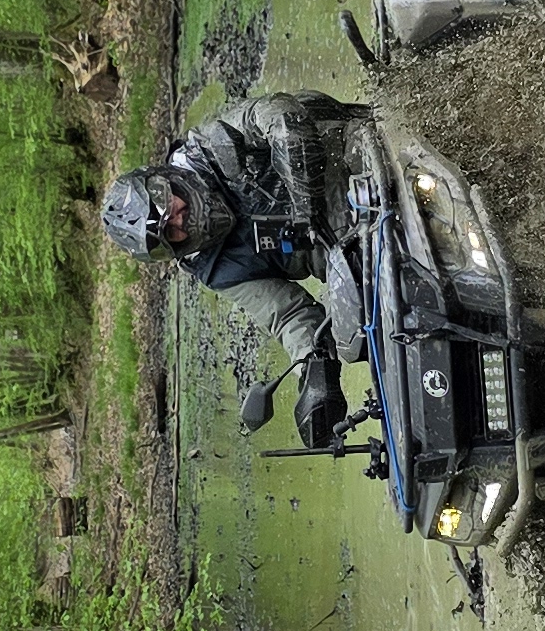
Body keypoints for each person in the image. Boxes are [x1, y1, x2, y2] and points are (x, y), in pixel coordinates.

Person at [101, 92, 365, 447]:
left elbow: (276, 112)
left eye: (168, 207)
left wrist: (305, 202)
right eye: (170, 233)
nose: (179, 220)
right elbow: (287, 314)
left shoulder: (210, 147)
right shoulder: (213, 268)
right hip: (355, 259)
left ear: (162, 181)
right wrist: (314, 370)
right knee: (356, 338)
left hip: (358, 165)